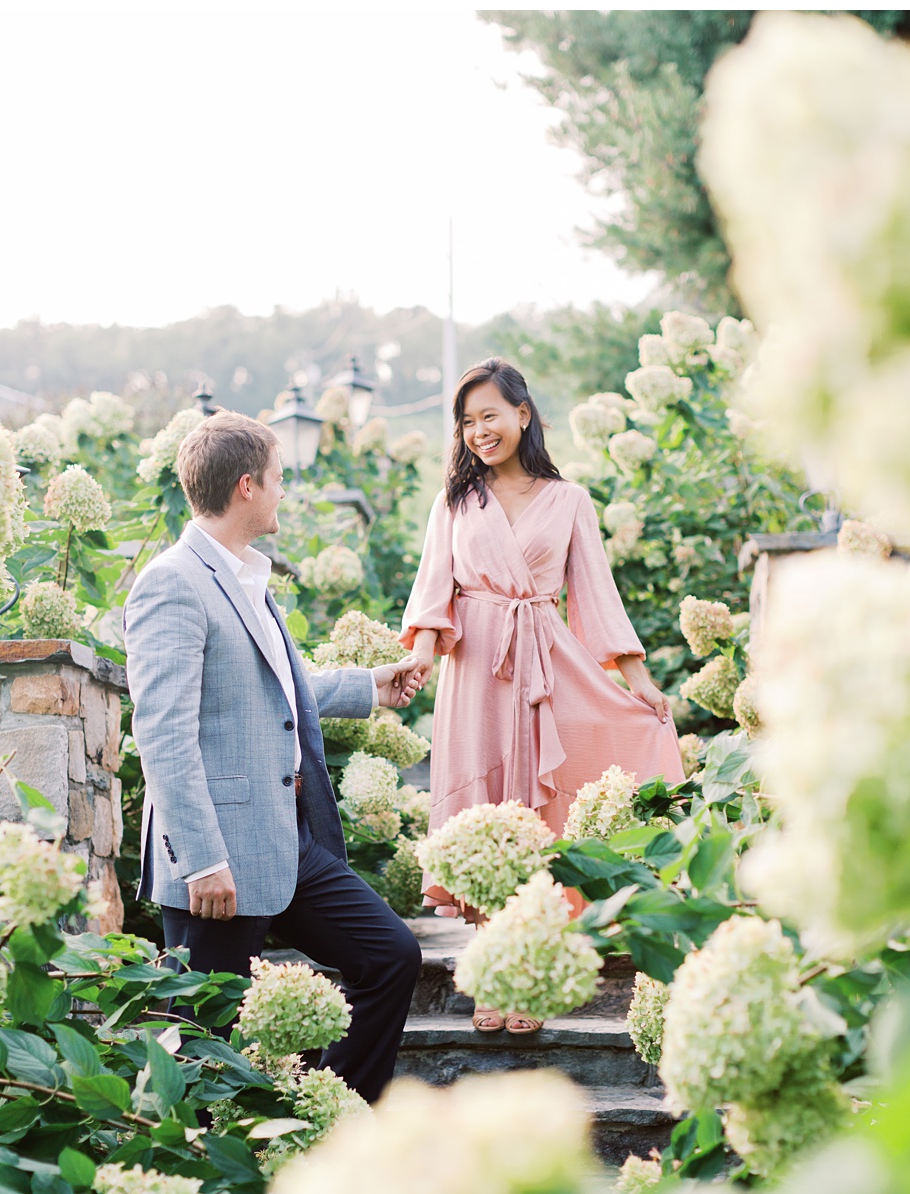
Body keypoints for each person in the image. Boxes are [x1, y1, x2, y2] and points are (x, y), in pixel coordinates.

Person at [126, 411, 426, 1104]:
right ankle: (185, 1190)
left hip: (286, 841)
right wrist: (201, 857)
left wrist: (367, 685)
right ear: (246, 487)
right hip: (217, 859)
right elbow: (164, 733)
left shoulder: (242, 576)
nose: (286, 491)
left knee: (389, 955)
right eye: (281, 478)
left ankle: (326, 1125)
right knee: (199, 1050)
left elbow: (269, 693)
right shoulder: (174, 581)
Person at [399, 358, 682, 1033]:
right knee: (486, 811)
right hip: (474, 670)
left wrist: (638, 683)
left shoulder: (569, 500)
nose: (477, 431)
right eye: (466, 421)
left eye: (489, 415)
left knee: (546, 808)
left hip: (546, 663)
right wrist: (416, 659)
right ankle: (491, 965)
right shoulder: (455, 503)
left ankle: (528, 971)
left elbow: (595, 595)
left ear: (523, 414)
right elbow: (433, 589)